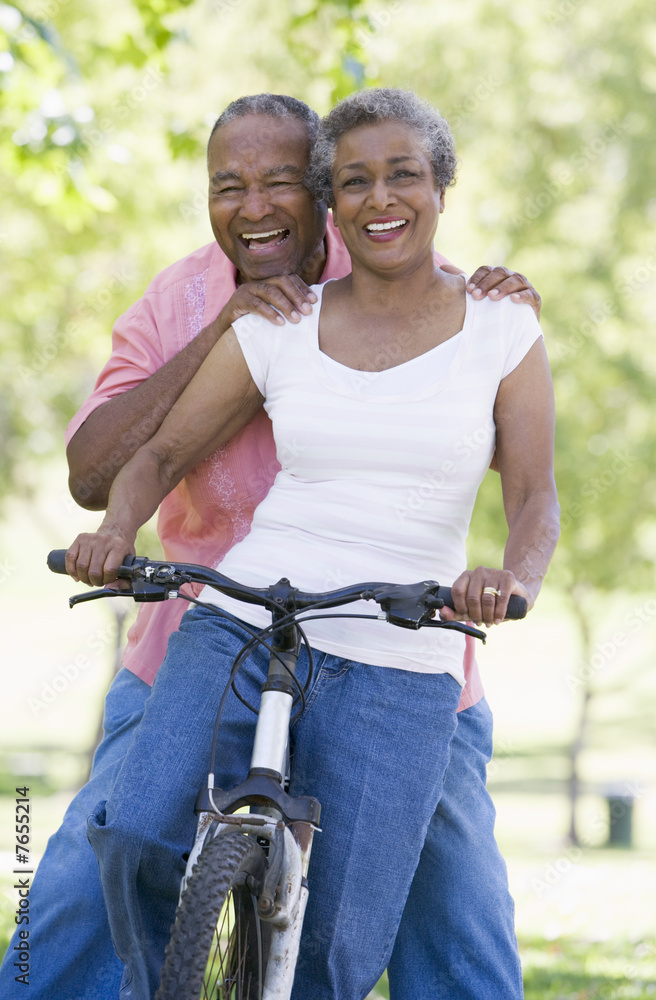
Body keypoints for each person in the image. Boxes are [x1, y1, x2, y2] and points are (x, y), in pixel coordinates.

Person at [0, 94, 539, 1000]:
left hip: (395, 646)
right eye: (228, 185)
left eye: (282, 181)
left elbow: (522, 476)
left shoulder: (443, 294)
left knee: (458, 928)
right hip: (198, 631)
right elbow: (101, 473)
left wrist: (511, 577)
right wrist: (227, 323)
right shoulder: (186, 301)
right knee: (74, 889)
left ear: (321, 196)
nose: (254, 207)